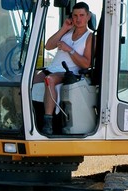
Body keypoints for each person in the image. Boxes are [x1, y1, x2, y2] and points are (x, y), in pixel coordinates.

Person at [34, 2, 94, 135]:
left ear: (88, 16)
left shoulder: (89, 36)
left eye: (82, 15)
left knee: (49, 80)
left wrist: (69, 50)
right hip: (51, 68)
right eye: (75, 15)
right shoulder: (67, 31)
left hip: (68, 72)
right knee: (25, 82)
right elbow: (48, 46)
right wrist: (63, 28)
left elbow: (86, 64)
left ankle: (48, 123)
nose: (78, 19)